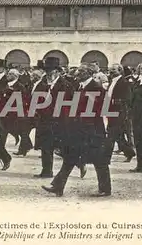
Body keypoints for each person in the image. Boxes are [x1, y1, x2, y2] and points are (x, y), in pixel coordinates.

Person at [42, 63, 111, 197]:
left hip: (92, 131)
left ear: (88, 74)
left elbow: (95, 110)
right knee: (70, 158)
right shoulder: (80, 87)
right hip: (80, 130)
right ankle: (58, 186)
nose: (76, 74)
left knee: (99, 161)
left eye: (80, 72)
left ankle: (105, 189)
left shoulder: (95, 88)